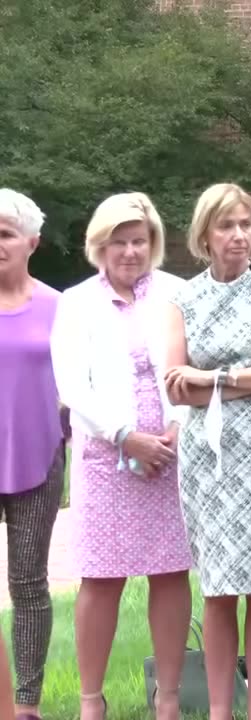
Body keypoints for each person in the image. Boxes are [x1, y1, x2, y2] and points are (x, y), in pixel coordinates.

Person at [162, 183, 251, 720]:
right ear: (204, 234)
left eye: (246, 225)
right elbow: (177, 384)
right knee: (219, 587)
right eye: (227, 226)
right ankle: (222, 710)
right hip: (210, 456)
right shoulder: (183, 299)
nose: (239, 235)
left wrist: (215, 377)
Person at [49, 193, 193, 720]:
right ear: (100, 246)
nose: (131, 251)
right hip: (105, 457)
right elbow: (72, 385)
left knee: (172, 572)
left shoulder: (178, 294)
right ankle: (91, 699)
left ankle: (170, 697)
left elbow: (190, 368)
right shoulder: (77, 302)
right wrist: (125, 435)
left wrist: (178, 428)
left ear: (152, 243)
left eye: (140, 240)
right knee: (101, 578)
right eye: (120, 242)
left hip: (171, 456)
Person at [0, 189, 63, 720]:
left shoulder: (58, 307)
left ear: (31, 242)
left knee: (28, 584)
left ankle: (27, 704)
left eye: (5, 233)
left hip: (38, 460)